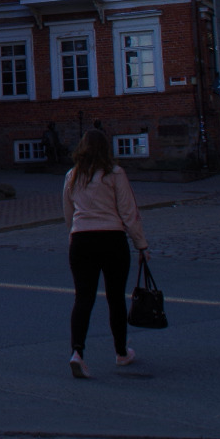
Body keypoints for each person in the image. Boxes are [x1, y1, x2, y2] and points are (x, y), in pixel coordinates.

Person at [62, 128, 149, 378]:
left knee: (83, 298)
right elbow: (128, 211)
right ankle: (121, 352)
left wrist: (74, 234)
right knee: (115, 297)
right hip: (112, 238)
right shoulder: (115, 174)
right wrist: (141, 244)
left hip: (81, 239)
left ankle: (77, 352)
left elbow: (68, 212)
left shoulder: (72, 175)